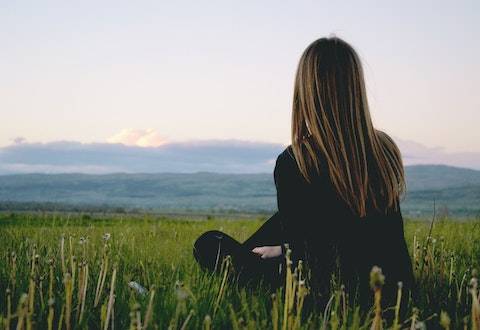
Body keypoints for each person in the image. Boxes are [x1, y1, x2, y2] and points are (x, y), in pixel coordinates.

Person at [193, 36, 414, 310]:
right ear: (355, 87)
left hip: (324, 290)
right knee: (281, 223)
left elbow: (311, 260)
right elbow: (368, 236)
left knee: (208, 244)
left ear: (307, 91)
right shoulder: (385, 149)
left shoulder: (297, 161)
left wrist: (282, 252)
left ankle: (245, 265)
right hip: (390, 287)